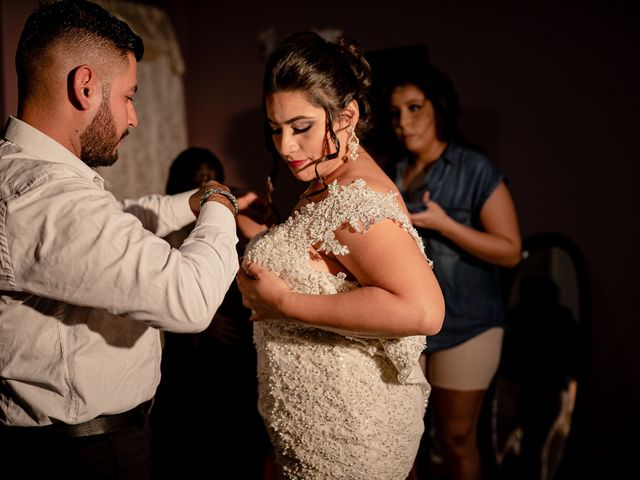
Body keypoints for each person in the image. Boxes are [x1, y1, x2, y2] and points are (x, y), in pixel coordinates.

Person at [0, 2, 239, 479]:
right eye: (129, 96)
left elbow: (108, 230)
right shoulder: (46, 196)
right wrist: (219, 201)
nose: (133, 119)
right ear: (85, 86)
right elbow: (188, 298)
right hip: (85, 455)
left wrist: (185, 203)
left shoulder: (27, 177)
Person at [235, 31, 445, 480]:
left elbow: (423, 311)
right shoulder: (326, 179)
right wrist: (267, 235)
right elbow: (327, 267)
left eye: (301, 128)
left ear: (346, 116)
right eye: (276, 129)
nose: (285, 147)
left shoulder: (357, 197)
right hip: (311, 422)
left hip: (348, 435)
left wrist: (283, 304)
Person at [382, 64, 522, 480]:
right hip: (409, 322)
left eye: (414, 108)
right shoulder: (391, 172)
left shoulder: (473, 168)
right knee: (400, 440)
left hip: (468, 324)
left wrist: (445, 224)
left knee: (456, 439)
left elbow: (511, 250)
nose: (404, 122)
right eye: (395, 113)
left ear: (438, 108)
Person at [152, 146, 274, 479]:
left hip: (237, 340)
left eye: (211, 178)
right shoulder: (164, 230)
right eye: (197, 180)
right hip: (189, 349)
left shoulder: (233, 219)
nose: (206, 186)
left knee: (238, 429)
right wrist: (204, 324)